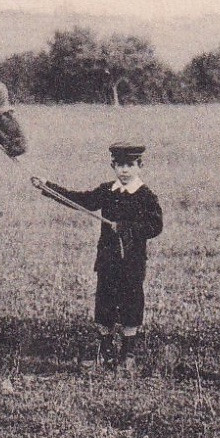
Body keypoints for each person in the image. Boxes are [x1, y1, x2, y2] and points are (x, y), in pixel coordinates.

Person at [33, 141, 164, 374]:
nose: (124, 170)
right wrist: (47, 187)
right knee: (104, 303)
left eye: (130, 165)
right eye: (120, 165)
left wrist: (127, 227)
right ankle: (105, 351)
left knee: (131, 304)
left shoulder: (146, 196)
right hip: (107, 260)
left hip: (132, 263)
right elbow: (80, 200)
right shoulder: (106, 191)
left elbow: (155, 226)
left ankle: (128, 353)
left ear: (140, 166)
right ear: (113, 165)